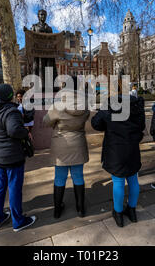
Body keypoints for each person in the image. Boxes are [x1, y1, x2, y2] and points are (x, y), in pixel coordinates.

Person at [91, 80, 146, 227]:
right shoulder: (136, 104)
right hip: (132, 147)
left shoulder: (109, 105)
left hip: (115, 149)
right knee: (133, 179)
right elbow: (141, 126)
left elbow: (96, 124)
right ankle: (132, 210)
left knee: (118, 181)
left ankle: (118, 213)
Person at [0, 83, 37, 232]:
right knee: (14, 187)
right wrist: (25, 132)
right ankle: (18, 221)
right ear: (10, 96)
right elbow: (14, 130)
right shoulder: (10, 111)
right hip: (11, 156)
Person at [43, 78, 90, 219]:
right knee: (78, 176)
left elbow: (46, 122)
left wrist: (57, 125)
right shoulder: (85, 104)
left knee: (59, 177)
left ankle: (57, 210)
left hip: (61, 145)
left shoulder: (58, 105)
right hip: (78, 143)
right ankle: (80, 209)